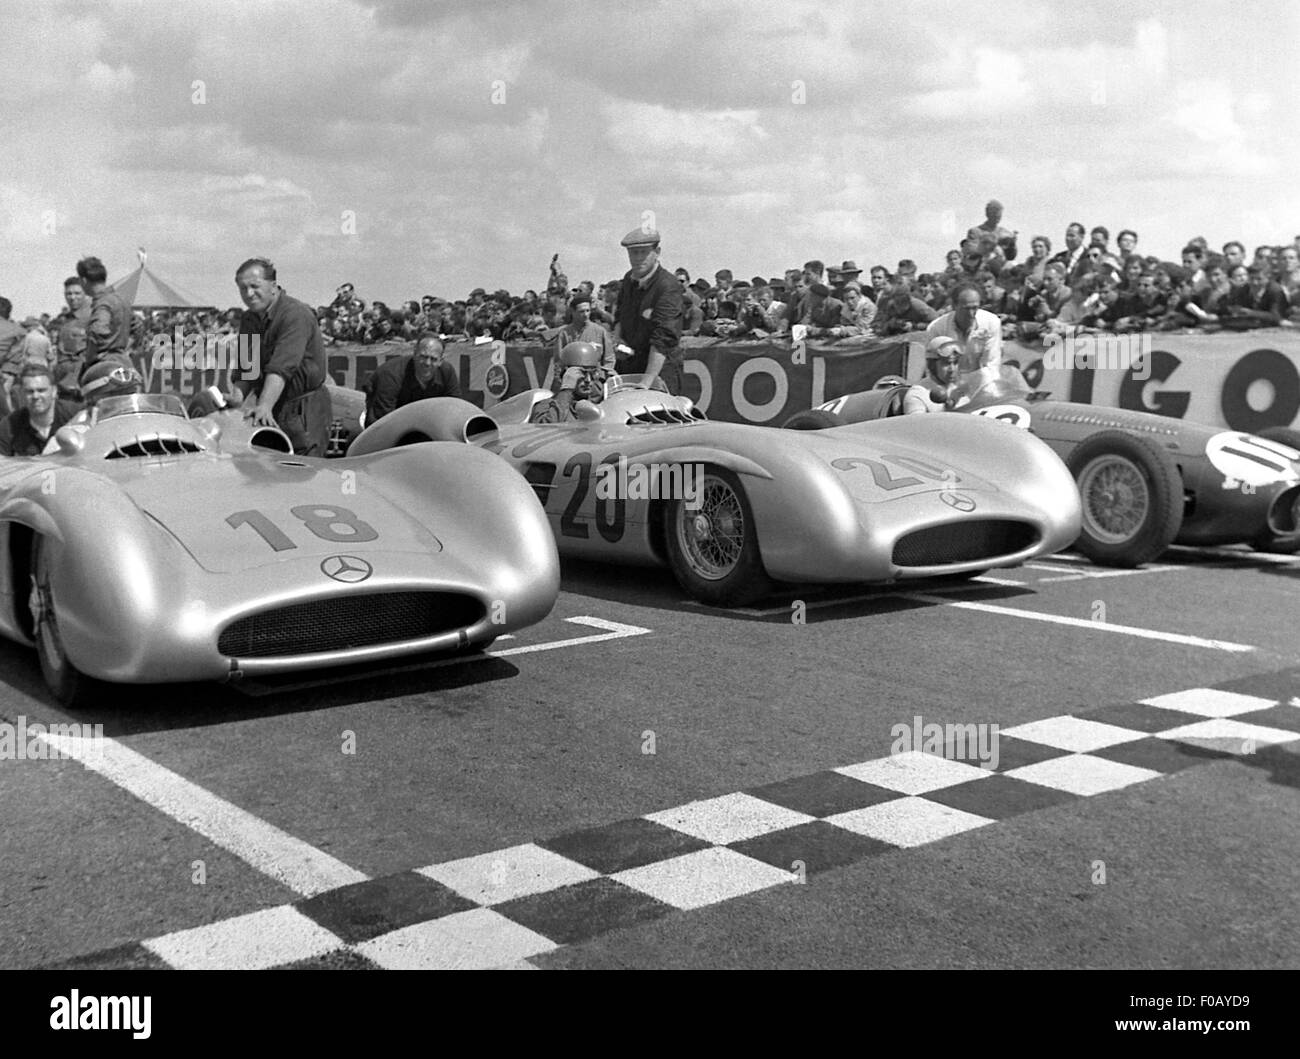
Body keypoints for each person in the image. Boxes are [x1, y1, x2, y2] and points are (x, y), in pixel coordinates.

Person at [232, 257, 331, 456]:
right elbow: (248, 369)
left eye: (255, 286)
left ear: (273, 286)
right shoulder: (249, 319)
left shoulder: (295, 315)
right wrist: (235, 399)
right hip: (272, 405)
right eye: (243, 288)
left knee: (302, 475)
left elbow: (281, 368)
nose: (249, 294)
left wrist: (264, 406)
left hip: (303, 410)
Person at [613, 225, 684, 393]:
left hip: (659, 373)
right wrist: (618, 342)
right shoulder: (628, 280)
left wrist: (646, 382)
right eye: (633, 253)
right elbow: (620, 317)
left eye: (643, 252)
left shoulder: (668, 286)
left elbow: (663, 337)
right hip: (629, 367)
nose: (638, 258)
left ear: (657, 252)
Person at [363, 333, 462, 424]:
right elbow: (381, 422)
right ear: (414, 354)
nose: (427, 363)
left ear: (441, 361)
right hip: (389, 422)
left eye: (433, 359)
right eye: (423, 357)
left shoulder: (447, 372)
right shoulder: (391, 374)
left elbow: (455, 408)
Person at [0, 365, 80, 456]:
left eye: (41, 390)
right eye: (30, 391)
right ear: (21, 393)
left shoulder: (75, 414)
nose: (36, 396)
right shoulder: (9, 426)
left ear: (54, 391)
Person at [924, 281, 1003, 372]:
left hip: (981, 380)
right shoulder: (936, 328)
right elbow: (933, 367)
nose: (971, 314)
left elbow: (991, 364)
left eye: (974, 308)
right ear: (954, 306)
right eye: (966, 309)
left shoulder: (991, 322)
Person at [77, 256, 132, 380]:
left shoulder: (102, 303)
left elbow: (98, 331)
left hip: (105, 368)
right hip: (125, 363)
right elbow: (137, 326)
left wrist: (90, 358)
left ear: (84, 281)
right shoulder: (122, 300)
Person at [533, 340, 611, 422]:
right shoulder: (545, 406)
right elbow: (544, 429)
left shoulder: (601, 405)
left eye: (593, 373)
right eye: (581, 374)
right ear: (565, 374)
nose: (588, 380)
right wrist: (567, 390)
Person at [902, 336, 963, 414]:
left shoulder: (965, 389)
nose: (952, 369)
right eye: (946, 363)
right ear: (932, 365)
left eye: (955, 363)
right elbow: (916, 425)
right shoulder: (918, 395)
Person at [51, 277, 91, 396]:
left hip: (82, 380)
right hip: (62, 381)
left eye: (77, 293)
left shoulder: (93, 316)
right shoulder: (65, 319)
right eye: (69, 294)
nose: (73, 297)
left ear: (85, 294)